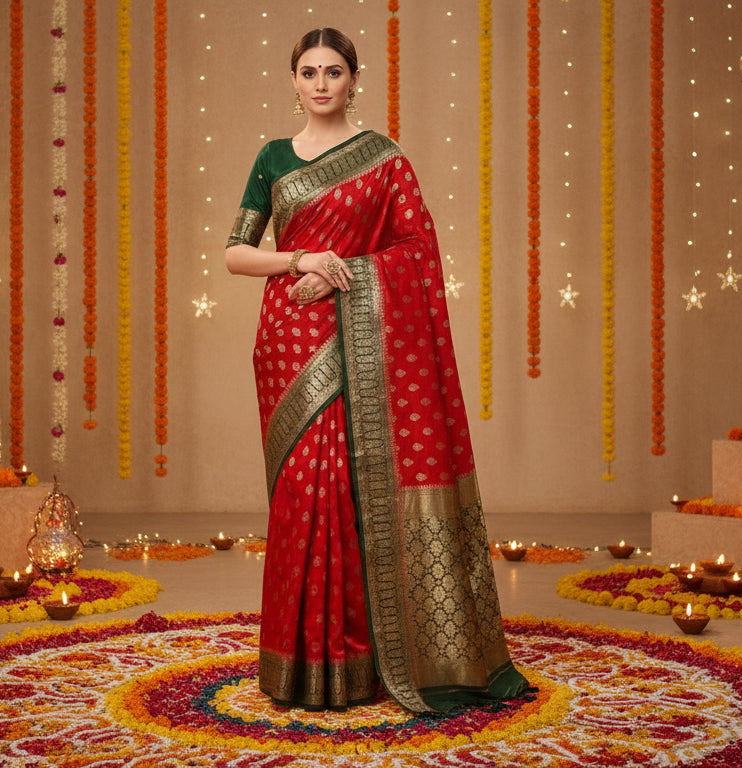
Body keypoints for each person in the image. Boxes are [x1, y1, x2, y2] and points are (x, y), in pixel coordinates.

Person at [224, 27, 528, 715]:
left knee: (354, 491)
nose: (322, 83)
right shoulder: (272, 158)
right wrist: (300, 260)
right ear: (293, 80)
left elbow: (418, 250)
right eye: (309, 72)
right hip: (288, 339)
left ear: (354, 79)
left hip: (360, 333)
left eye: (334, 71)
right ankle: (299, 667)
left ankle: (362, 665)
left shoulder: (384, 159)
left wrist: (347, 272)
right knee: (304, 494)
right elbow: (235, 253)